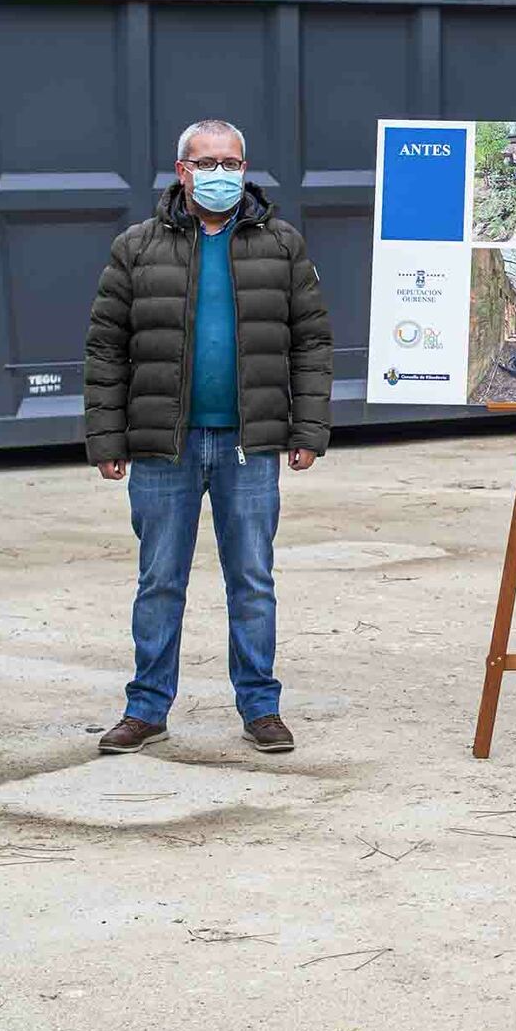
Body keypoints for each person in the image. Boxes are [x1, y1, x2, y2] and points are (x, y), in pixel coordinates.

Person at [83, 119, 332, 756]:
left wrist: (308, 427)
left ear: (245, 170)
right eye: (207, 163)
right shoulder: (137, 247)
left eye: (231, 163)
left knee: (252, 581)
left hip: (250, 444)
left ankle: (261, 707)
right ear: (182, 171)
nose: (220, 174)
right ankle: (146, 708)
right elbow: (106, 348)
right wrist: (106, 438)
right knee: (159, 581)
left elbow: (311, 341)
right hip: (164, 445)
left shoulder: (282, 245)